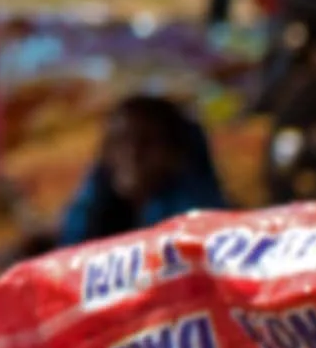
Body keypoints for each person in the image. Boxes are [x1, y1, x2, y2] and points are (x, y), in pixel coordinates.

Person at [55, 94, 230, 248]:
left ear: (176, 153)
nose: (132, 154)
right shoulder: (90, 219)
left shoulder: (208, 232)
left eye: (147, 141)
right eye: (119, 142)